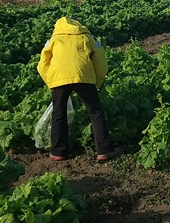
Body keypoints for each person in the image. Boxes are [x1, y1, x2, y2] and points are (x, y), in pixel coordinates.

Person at [37, 16, 119, 162]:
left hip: (59, 77)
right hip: (83, 77)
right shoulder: (88, 37)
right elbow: (101, 64)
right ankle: (104, 151)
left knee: (58, 113)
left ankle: (58, 152)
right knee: (95, 111)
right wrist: (96, 83)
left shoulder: (53, 40)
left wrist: (52, 82)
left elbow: (42, 65)